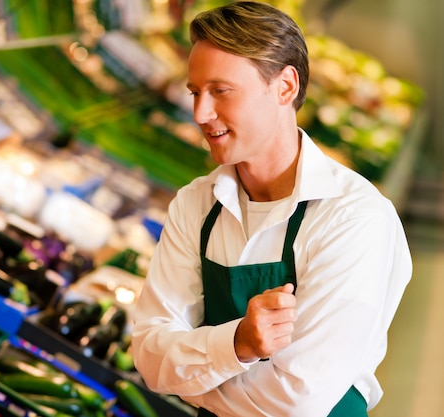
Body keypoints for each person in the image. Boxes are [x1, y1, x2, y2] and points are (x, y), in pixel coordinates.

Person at [131, 1, 413, 416]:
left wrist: (192, 379)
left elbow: (297, 400)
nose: (200, 114)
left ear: (285, 87)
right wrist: (238, 344)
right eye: (195, 92)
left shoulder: (353, 218)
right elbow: (150, 358)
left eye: (220, 91)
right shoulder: (195, 204)